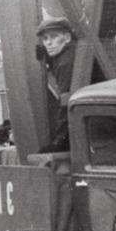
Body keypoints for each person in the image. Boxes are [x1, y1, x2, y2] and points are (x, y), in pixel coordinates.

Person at [36, 17, 77, 152]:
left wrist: (60, 141)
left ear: (67, 37)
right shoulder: (72, 52)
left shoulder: (65, 63)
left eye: (53, 37)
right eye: (45, 39)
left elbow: (66, 100)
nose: (49, 43)